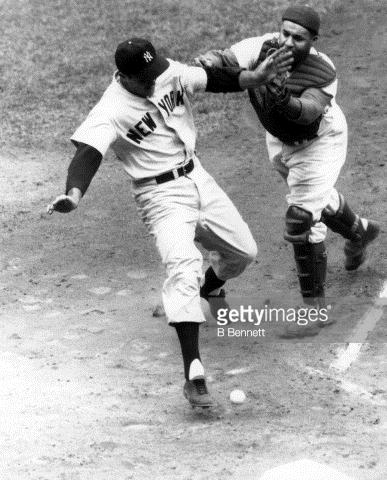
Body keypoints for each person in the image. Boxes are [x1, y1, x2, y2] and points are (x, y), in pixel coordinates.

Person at [47, 37, 292, 407]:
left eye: (154, 71)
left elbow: (208, 77)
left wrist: (251, 78)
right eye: (144, 77)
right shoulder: (110, 109)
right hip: (160, 196)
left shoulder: (164, 71)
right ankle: (193, 372)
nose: (153, 80)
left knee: (243, 252)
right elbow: (88, 153)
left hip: (198, 178)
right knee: (183, 268)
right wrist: (74, 193)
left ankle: (208, 290)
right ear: (124, 76)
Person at [194, 5, 380, 338]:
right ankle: (358, 232)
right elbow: (224, 58)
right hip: (280, 141)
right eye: (285, 33)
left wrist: (281, 98)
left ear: (313, 40)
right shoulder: (261, 47)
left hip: (319, 143)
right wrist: (205, 63)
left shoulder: (323, 71)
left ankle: (315, 314)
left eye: (299, 37)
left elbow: (308, 113)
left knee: (301, 219)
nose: (289, 41)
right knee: (314, 200)